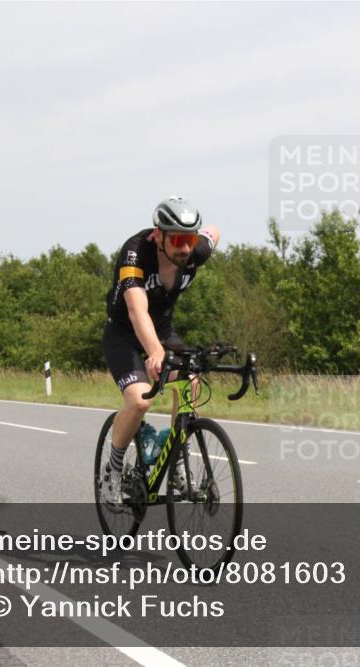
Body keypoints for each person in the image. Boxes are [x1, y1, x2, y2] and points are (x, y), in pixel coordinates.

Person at [101, 196, 220, 504]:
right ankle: (112, 472)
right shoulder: (135, 253)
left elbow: (215, 232)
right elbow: (136, 310)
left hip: (164, 330)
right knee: (140, 401)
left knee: (190, 381)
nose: (185, 247)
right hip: (125, 332)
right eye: (178, 239)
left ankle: (178, 464)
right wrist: (154, 352)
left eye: (189, 239)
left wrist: (203, 237)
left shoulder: (195, 251)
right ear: (158, 235)